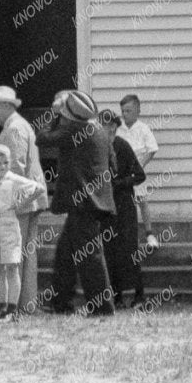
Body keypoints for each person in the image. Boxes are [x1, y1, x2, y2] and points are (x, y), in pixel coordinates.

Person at [48, 90, 116, 316]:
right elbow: (113, 167)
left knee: (90, 258)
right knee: (65, 256)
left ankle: (103, 308)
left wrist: (55, 114)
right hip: (93, 203)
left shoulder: (75, 130)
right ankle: (60, 303)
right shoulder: (100, 132)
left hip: (83, 204)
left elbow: (43, 138)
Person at [0, 86, 47, 312]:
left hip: (21, 200)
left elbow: (18, 165)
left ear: (4, 105)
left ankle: (13, 303)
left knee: (13, 252)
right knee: (25, 252)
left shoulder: (14, 128)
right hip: (30, 197)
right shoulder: (17, 125)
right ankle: (26, 303)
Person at [0, 144, 46, 320]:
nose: (2, 166)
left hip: (8, 223)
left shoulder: (13, 180)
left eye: (5, 162)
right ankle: (1, 306)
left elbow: (38, 188)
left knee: (12, 266)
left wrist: (22, 203)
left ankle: (12, 308)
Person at [100, 106, 148, 307]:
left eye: (112, 126)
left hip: (124, 205)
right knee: (110, 251)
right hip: (105, 207)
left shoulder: (123, 146)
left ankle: (139, 294)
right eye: (104, 126)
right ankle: (117, 296)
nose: (109, 130)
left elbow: (139, 175)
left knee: (129, 249)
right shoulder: (97, 147)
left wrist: (118, 184)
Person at [117, 92, 158, 245]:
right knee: (123, 203)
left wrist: (141, 166)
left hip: (136, 172)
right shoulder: (118, 128)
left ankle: (149, 234)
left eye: (128, 111)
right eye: (123, 111)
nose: (125, 114)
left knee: (142, 201)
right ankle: (122, 234)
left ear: (137, 111)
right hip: (121, 172)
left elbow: (152, 149)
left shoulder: (143, 128)